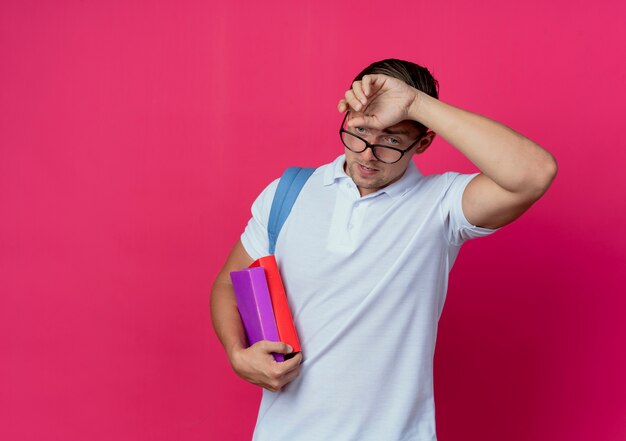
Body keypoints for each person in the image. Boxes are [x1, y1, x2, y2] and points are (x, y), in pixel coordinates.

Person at [210, 59, 557, 440]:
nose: (368, 155)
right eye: (358, 131)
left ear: (422, 141)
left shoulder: (442, 204)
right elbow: (229, 281)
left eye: (391, 141)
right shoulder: (287, 193)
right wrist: (237, 353)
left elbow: (534, 173)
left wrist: (414, 103)